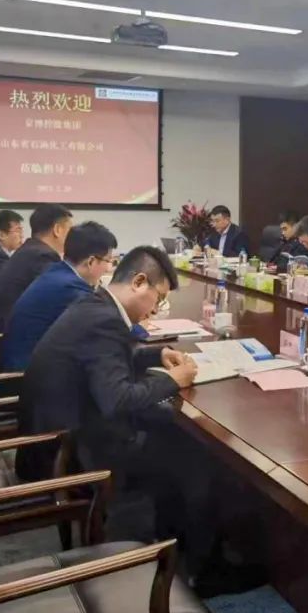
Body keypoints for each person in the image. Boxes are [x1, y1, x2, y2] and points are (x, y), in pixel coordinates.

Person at [14, 247, 221, 581]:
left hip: (63, 427)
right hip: (73, 446)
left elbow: (105, 360)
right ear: (139, 282)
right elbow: (118, 399)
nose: (154, 310)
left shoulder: (96, 304)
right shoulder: (105, 320)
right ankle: (201, 567)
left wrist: (157, 354)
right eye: (158, 299)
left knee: (171, 429)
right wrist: (173, 380)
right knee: (195, 452)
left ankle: (170, 536)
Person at [0, 221, 118, 375]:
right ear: (91, 261)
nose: (108, 268)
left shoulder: (58, 272)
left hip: (24, 367)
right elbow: (106, 328)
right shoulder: (71, 289)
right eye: (108, 260)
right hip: (24, 377)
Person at [0, 204, 73, 332]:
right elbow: (61, 298)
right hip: (5, 334)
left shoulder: (30, 250)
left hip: (5, 328)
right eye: (70, 230)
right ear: (57, 230)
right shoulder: (43, 256)